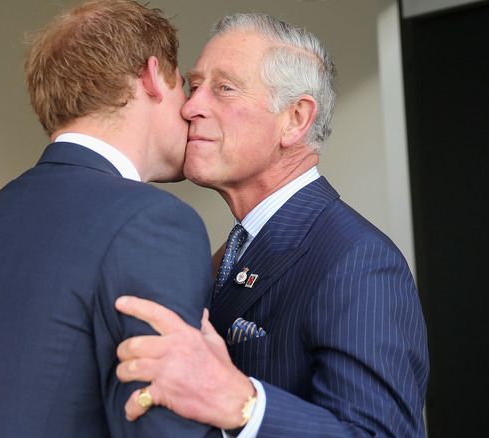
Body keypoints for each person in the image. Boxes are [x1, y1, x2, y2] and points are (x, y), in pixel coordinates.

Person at [114, 12, 430, 438]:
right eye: (193, 85)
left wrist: (243, 406)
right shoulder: (229, 255)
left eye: (223, 88)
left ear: (296, 119)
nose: (190, 107)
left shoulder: (359, 262)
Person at [0, 1, 219, 437]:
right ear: (153, 76)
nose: (190, 109)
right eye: (184, 86)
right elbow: (167, 429)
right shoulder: (153, 222)